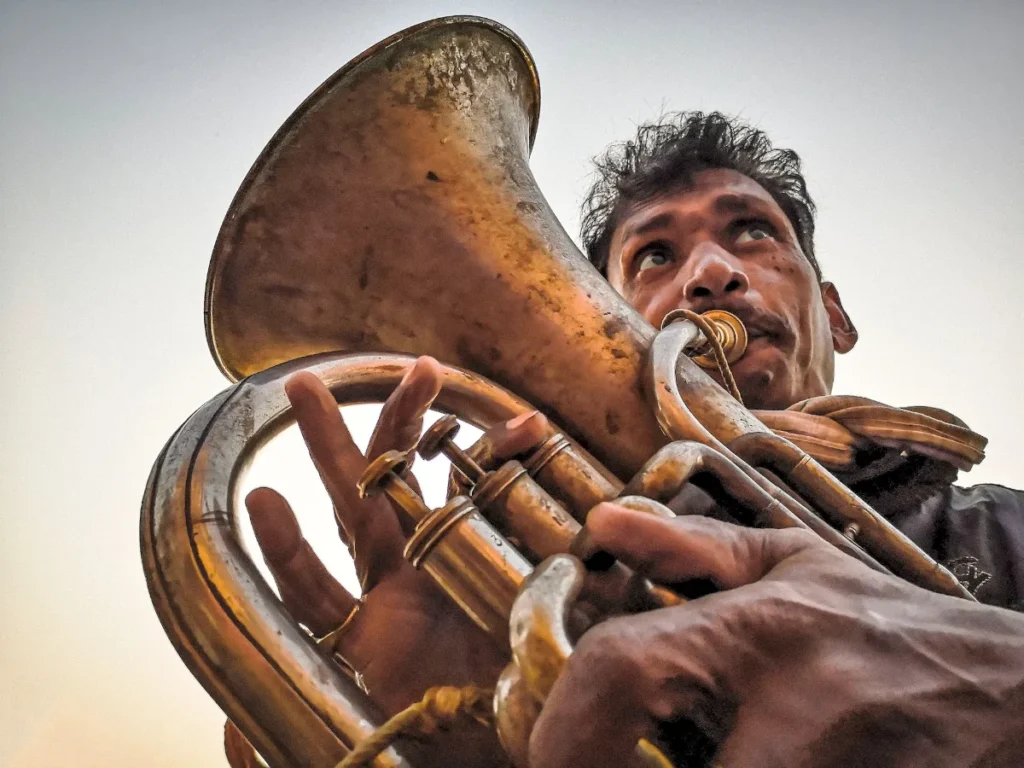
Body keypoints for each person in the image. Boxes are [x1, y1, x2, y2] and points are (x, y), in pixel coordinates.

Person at [242, 112, 1024, 767]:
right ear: (597, 323)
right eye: (656, 256)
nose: (711, 273)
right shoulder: (562, 594)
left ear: (837, 317)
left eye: (753, 233)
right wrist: (457, 730)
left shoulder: (1010, 528)